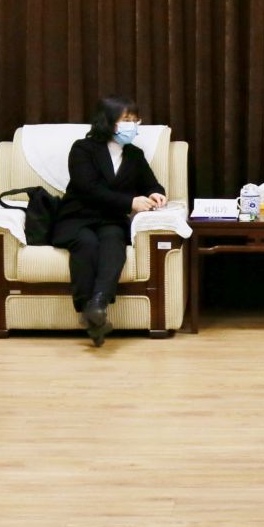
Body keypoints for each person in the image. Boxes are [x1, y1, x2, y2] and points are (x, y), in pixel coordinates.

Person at [50, 96, 168, 346]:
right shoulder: (83, 149)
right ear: (108, 121)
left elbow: (151, 183)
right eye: (126, 119)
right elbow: (88, 189)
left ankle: (98, 304)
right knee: (87, 244)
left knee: (114, 240)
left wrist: (156, 193)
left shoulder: (134, 154)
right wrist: (130, 202)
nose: (133, 125)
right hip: (77, 216)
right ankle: (91, 312)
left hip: (110, 220)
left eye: (135, 120)